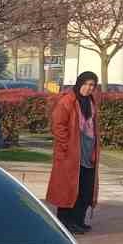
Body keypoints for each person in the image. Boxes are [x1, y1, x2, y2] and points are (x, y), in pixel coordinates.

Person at [48, 72, 100, 234]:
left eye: (92, 85)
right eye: (86, 84)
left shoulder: (92, 102)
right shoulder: (68, 100)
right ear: (79, 83)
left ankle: (78, 220)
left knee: (86, 188)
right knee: (68, 189)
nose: (89, 88)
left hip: (88, 150)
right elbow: (58, 126)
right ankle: (65, 223)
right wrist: (67, 146)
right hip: (71, 152)